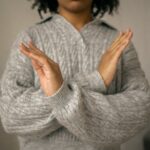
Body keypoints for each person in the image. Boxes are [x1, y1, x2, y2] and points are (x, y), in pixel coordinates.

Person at [0, 0, 150, 150]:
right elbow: (10, 116)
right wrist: (96, 80)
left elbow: (143, 108)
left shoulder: (119, 42)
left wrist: (61, 95)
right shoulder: (29, 39)